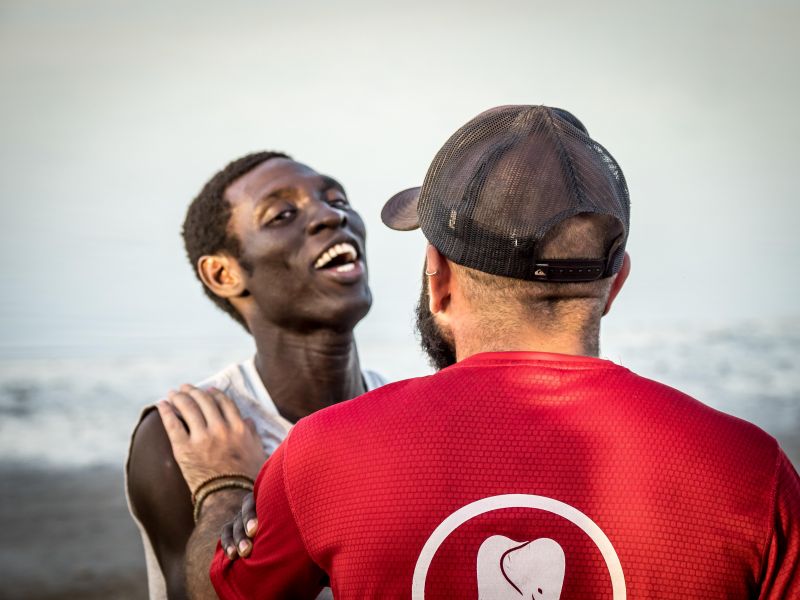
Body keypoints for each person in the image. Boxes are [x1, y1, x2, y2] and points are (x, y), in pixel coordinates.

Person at [161, 106, 800, 598]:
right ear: (617, 282)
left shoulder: (324, 455)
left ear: (436, 276)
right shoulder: (750, 470)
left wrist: (223, 487)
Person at [125, 151, 385, 600]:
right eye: (283, 214)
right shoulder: (185, 436)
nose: (330, 216)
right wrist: (223, 490)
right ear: (224, 274)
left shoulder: (401, 412)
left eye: (337, 199)